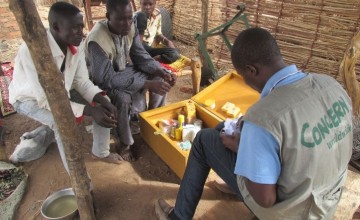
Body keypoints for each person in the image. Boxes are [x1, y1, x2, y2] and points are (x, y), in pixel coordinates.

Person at [155, 27, 353, 220]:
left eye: (243, 76)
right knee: (223, 127)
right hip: (327, 197)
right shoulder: (331, 85)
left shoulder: (262, 117)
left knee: (203, 140)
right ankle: (231, 174)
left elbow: (265, 199)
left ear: (251, 70)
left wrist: (242, 148)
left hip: (292, 211)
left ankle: (178, 216)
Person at [9, 2, 124, 172]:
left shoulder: (75, 45)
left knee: (103, 101)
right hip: (28, 99)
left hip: (62, 91)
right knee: (60, 123)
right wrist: (90, 111)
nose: (82, 33)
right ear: (56, 27)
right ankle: (78, 180)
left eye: (82, 27)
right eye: (76, 28)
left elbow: (81, 82)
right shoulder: (32, 50)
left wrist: (102, 102)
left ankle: (101, 152)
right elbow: (46, 100)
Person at [85, 0, 176, 161]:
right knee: (123, 98)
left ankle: (150, 123)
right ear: (108, 17)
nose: (126, 24)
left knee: (159, 77)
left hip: (122, 71)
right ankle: (125, 143)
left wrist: (162, 72)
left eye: (129, 18)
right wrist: (146, 84)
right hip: (101, 81)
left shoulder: (130, 26)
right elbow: (106, 79)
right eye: (120, 19)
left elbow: (140, 56)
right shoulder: (97, 39)